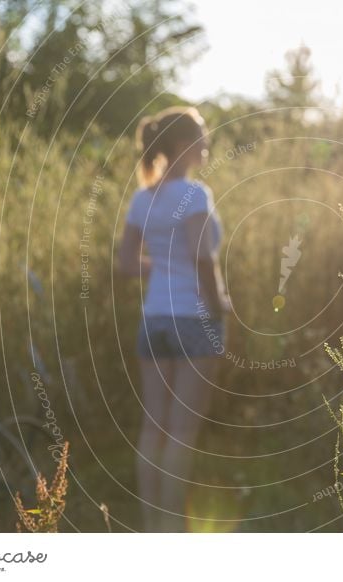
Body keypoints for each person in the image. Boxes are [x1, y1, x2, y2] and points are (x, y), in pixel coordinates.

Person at [117, 106, 230, 532]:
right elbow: (204, 262)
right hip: (193, 319)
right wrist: (220, 307)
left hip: (154, 321)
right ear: (184, 145)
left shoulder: (142, 198)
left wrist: (164, 267)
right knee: (182, 432)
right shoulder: (195, 194)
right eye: (202, 135)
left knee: (154, 426)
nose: (207, 142)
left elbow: (127, 263)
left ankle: (153, 525)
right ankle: (174, 532)